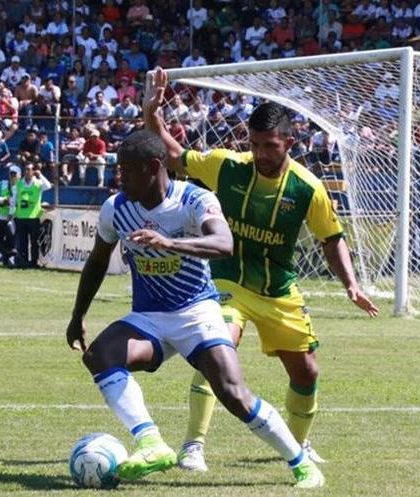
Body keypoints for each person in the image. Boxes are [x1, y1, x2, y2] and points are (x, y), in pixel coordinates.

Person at [143, 67, 379, 473]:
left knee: (306, 372)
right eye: (255, 145)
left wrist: (351, 285)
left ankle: (298, 448)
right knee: (217, 351)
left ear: (290, 142)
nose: (262, 154)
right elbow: (176, 158)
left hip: (278, 292)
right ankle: (193, 446)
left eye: (270, 145)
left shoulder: (308, 188)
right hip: (227, 281)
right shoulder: (228, 166)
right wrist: (153, 114)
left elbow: (331, 238)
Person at [65, 129, 324, 488]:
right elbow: (96, 260)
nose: (119, 177)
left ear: (154, 167)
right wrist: (78, 315)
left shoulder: (193, 199)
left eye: (127, 169)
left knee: (233, 393)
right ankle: (152, 444)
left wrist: (170, 242)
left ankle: (301, 464)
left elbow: (224, 243)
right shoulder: (116, 209)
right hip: (149, 318)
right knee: (100, 355)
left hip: (196, 312)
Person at [13, 162, 52, 268]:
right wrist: (12, 213)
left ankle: (34, 262)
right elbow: (14, 200)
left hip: (33, 217)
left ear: (33, 171)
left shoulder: (38, 184)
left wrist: (40, 175)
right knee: (23, 242)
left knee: (35, 242)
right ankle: (24, 261)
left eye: (29, 170)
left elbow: (48, 186)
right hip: (21, 217)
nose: (27, 172)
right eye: (25, 169)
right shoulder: (19, 184)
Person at [0, 164, 19, 268]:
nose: (12, 176)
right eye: (11, 174)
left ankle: (10, 261)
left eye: (14, 174)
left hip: (11, 218)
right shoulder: (3, 184)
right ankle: (7, 256)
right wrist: (3, 200)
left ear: (18, 176)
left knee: (11, 240)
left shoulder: (19, 187)